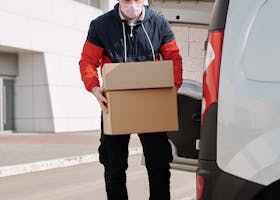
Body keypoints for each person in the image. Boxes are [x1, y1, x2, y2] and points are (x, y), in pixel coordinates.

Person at [79, 0, 182, 199]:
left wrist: (172, 87)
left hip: (152, 103)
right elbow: (87, 61)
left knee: (159, 165)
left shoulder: (159, 23)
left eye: (136, 0)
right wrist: (94, 87)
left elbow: (174, 58)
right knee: (113, 166)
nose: (132, 5)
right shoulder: (101, 26)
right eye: (127, 1)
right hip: (115, 104)